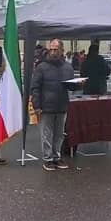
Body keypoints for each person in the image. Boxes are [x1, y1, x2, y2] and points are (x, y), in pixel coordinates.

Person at [31, 39, 77, 171]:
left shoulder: (67, 67)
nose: (53, 51)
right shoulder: (41, 67)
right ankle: (48, 159)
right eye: (51, 49)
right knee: (47, 134)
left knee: (59, 134)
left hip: (62, 105)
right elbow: (35, 87)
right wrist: (36, 106)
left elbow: (71, 86)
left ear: (62, 50)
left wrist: (78, 85)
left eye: (55, 49)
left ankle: (57, 157)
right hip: (46, 106)